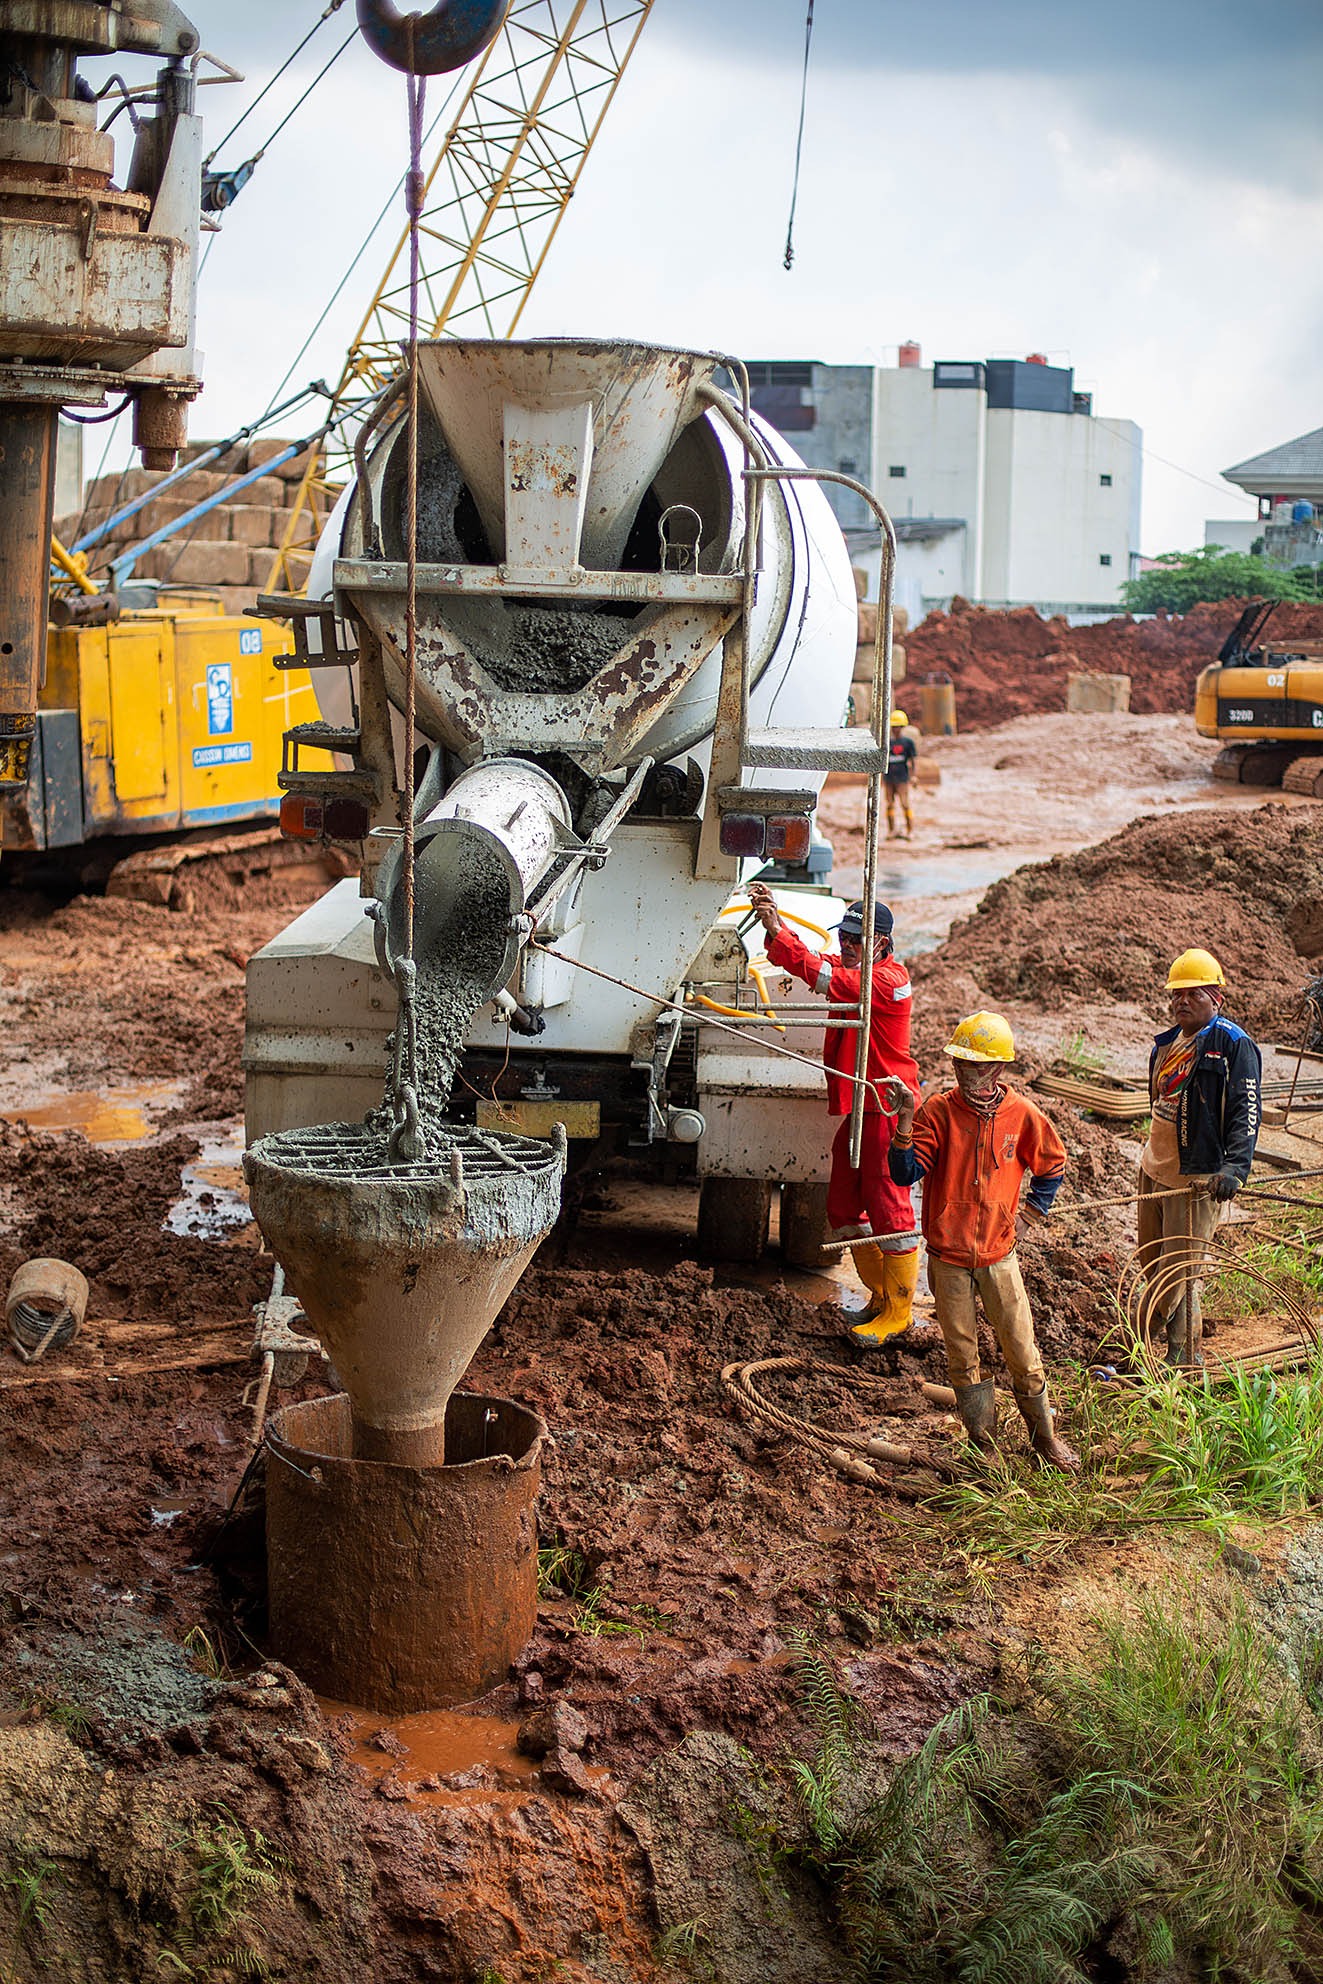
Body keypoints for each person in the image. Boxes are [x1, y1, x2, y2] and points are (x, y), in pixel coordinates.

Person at [881, 1012, 1078, 1470]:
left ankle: (1044, 1440)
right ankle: (983, 1443)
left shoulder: (1021, 1115)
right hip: (948, 1257)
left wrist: (1030, 1214)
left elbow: (1051, 1164)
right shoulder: (938, 1111)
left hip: (999, 1256)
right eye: (959, 1063)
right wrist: (905, 1122)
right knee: (962, 1353)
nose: (963, 1072)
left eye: (974, 1065)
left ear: (997, 1069)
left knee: (1022, 1350)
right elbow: (905, 1173)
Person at [747, 881, 921, 1345]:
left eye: (855, 939)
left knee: (891, 1209)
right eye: (843, 936)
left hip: (886, 1108)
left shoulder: (887, 981)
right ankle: (880, 1295)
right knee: (843, 1205)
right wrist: (776, 926)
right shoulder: (859, 973)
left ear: (881, 943)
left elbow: (829, 979)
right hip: (860, 1107)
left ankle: (898, 1312)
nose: (845, 945)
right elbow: (820, 968)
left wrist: (779, 933)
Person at [1137, 948, 1261, 1370]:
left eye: (1194, 993)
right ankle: (1166, 1348)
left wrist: (1234, 1169)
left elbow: (1247, 1110)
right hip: (1154, 1169)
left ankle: (1178, 1356)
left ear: (1217, 998)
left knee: (1180, 1273)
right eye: (1177, 994)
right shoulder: (1167, 1044)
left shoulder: (1233, 1045)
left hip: (1194, 1178)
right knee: (1152, 1264)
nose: (1182, 1001)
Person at [885, 708, 917, 839]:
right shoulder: (887, 743)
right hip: (889, 778)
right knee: (890, 804)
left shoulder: (908, 743)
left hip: (902, 778)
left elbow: (912, 761)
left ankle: (910, 831)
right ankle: (891, 830)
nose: (895, 729)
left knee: (905, 804)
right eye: (894, 727)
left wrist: (914, 776)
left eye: (898, 727)